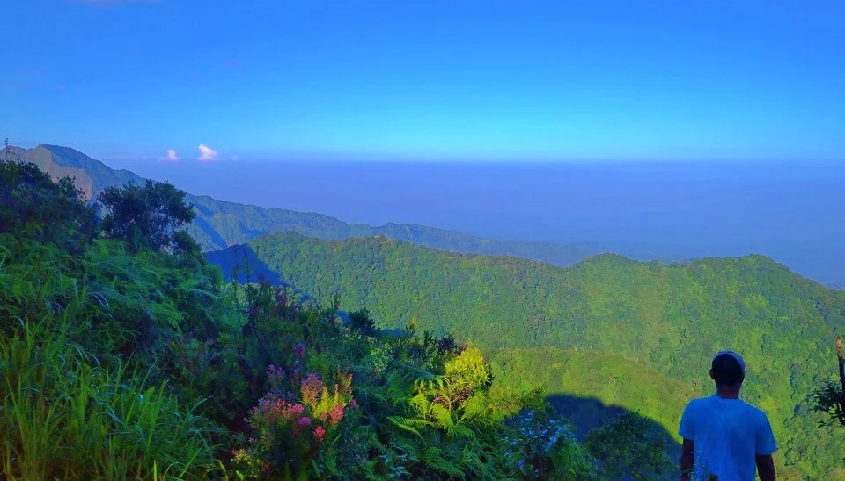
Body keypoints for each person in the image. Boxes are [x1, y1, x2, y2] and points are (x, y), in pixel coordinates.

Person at [679, 350, 777, 481]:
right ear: (742, 378)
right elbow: (766, 466)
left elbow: (687, 453)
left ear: (711, 374)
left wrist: (685, 476)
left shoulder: (694, 408)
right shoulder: (757, 418)